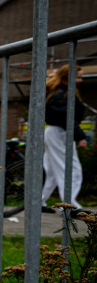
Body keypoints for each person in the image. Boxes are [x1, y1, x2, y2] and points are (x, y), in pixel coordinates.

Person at [41, 64, 87, 209]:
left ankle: (39, 201)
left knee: (51, 171)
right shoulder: (62, 94)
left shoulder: (58, 92)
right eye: (78, 77)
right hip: (60, 133)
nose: (81, 81)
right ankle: (70, 205)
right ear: (69, 78)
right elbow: (66, 117)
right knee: (72, 169)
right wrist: (80, 136)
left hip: (55, 132)